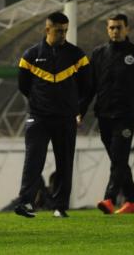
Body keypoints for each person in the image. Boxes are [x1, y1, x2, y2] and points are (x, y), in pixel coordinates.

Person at [14, 12, 90, 218]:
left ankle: (60, 206)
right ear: (47, 30)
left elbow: (87, 86)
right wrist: (40, 102)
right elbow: (24, 86)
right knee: (33, 160)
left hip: (66, 117)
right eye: (59, 31)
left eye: (65, 31)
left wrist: (74, 108)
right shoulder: (30, 55)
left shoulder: (77, 55)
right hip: (38, 117)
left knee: (65, 162)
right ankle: (26, 203)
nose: (63, 34)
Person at [80, 14, 134, 214]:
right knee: (118, 160)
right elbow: (89, 87)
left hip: (127, 115)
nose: (115, 31)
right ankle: (133, 199)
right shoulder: (98, 54)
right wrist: (79, 111)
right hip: (104, 115)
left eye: (119, 27)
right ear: (107, 30)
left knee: (119, 157)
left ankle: (109, 198)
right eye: (112, 28)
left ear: (127, 29)